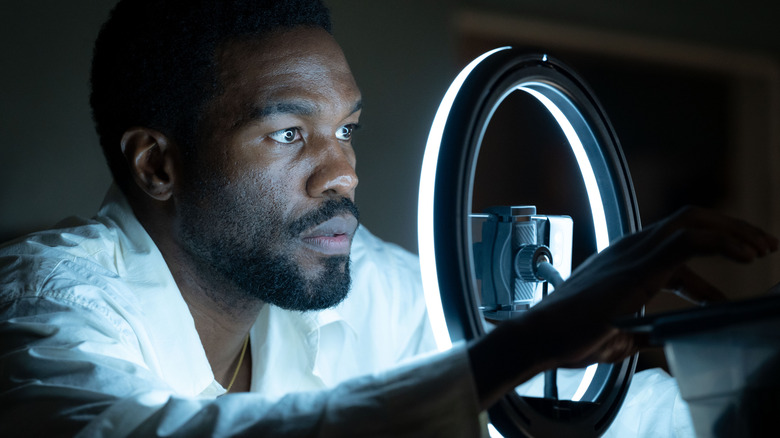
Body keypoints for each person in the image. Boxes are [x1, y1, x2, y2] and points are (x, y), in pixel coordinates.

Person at [0, 0, 776, 436]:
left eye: (348, 130)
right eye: (287, 134)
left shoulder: (362, 279)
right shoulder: (44, 304)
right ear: (158, 166)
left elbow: (586, 415)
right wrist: (531, 340)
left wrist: (745, 377)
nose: (343, 172)